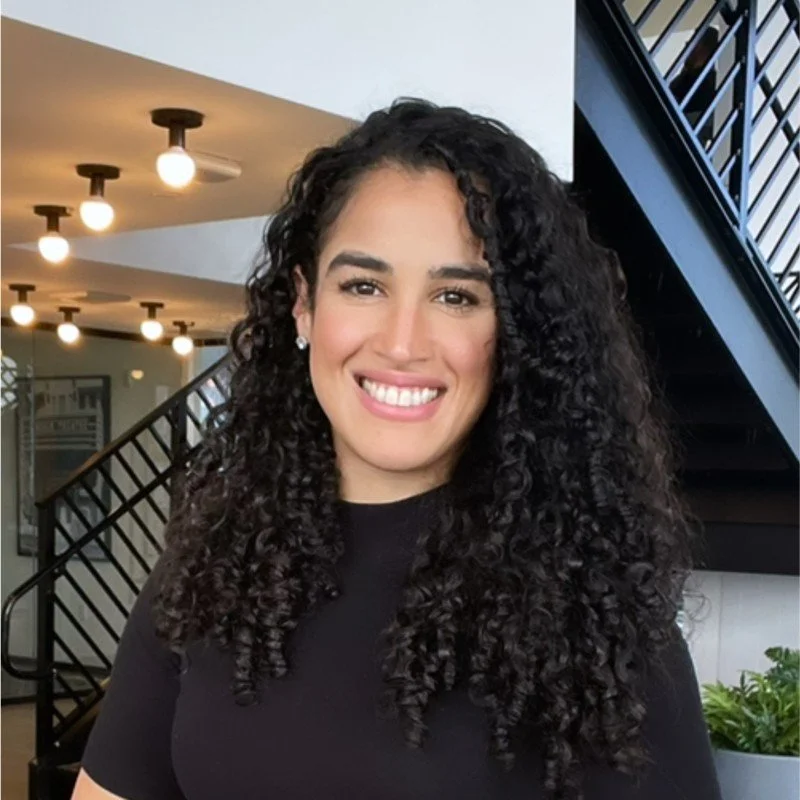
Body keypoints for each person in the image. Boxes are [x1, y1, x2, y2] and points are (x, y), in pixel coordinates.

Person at [72, 99, 722, 800]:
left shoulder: (594, 617)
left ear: (514, 334)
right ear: (304, 304)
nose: (403, 342)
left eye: (457, 297)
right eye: (363, 285)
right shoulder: (210, 568)